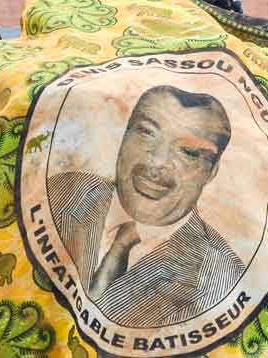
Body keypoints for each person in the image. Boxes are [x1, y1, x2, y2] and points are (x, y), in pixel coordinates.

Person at [46, 85, 244, 327]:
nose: (157, 161)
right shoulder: (57, 193)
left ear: (211, 172)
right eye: (147, 133)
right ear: (124, 135)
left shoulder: (223, 277)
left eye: (189, 152)